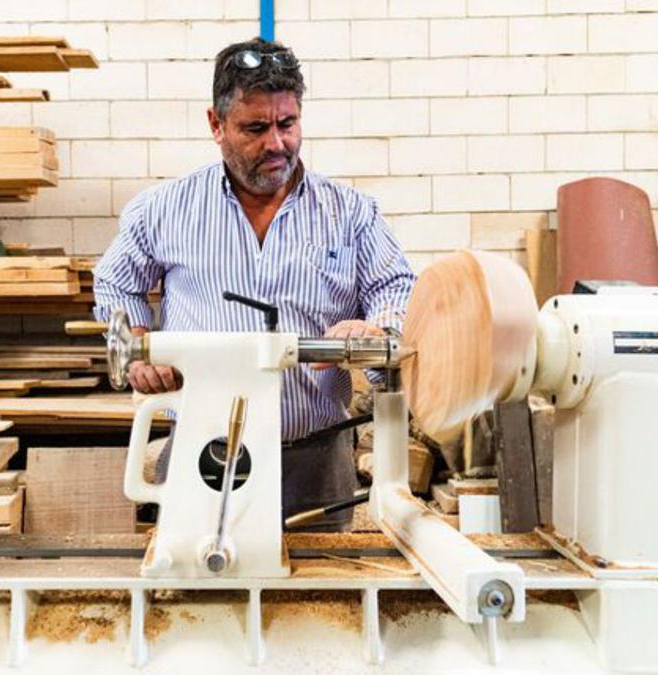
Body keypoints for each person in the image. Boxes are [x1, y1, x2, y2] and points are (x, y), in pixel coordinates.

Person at [92, 37, 416, 531]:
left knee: (321, 603)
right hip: (206, 452)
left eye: (288, 124)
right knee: (200, 598)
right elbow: (115, 285)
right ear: (215, 125)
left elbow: (395, 287)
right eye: (255, 127)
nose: (276, 143)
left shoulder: (351, 214)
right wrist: (139, 344)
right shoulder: (164, 210)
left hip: (316, 460)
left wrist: (377, 329)